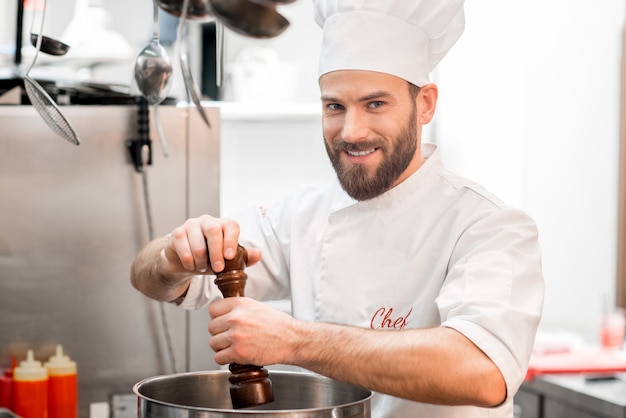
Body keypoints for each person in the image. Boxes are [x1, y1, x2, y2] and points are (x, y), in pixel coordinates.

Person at [130, 0, 545, 416]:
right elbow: (151, 280)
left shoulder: (488, 226)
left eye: (375, 104)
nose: (351, 131)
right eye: (335, 106)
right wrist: (174, 253)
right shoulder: (303, 214)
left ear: (425, 105)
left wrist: (295, 341)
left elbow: (482, 371)